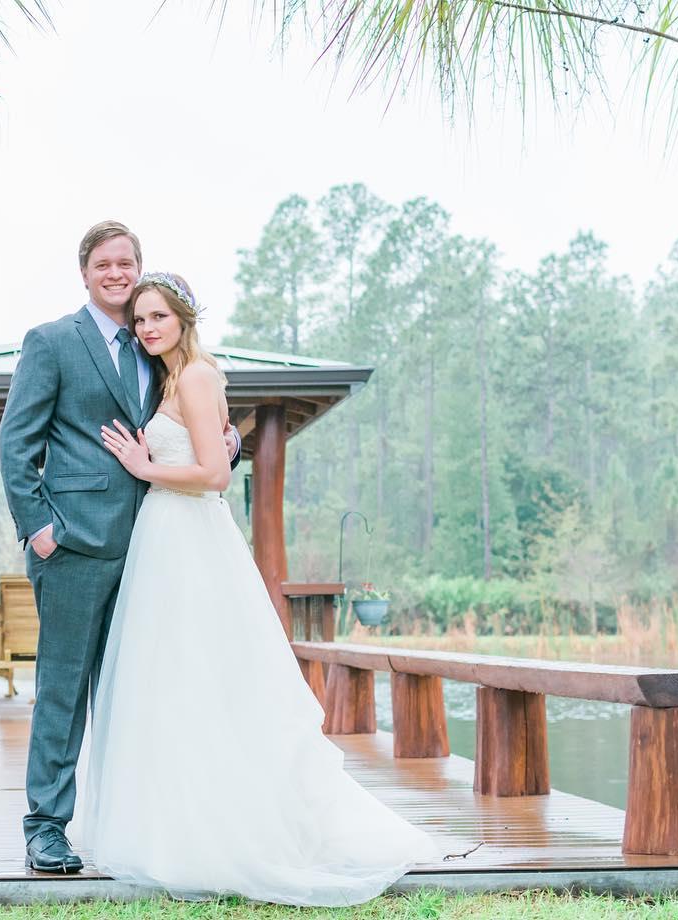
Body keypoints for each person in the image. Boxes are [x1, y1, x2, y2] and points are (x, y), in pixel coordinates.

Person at [78, 271, 440, 906]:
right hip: (164, 537)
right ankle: (175, 822)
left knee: (201, 672)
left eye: (158, 316)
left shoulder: (195, 375)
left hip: (188, 535)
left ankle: (222, 831)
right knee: (173, 681)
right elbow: (214, 447)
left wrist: (144, 466)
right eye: (140, 321)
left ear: (184, 318)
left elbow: (215, 474)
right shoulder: (174, 376)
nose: (147, 328)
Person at [0, 223, 241, 874]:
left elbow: (200, 423)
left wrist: (227, 444)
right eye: (103, 263)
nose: (115, 272)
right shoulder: (51, 342)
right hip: (74, 548)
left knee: (142, 691)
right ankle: (46, 828)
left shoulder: (154, 349)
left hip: (152, 551)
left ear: (140, 270)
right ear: (84, 273)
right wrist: (40, 529)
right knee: (63, 690)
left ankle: (143, 825)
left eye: (126, 262)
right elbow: (14, 445)